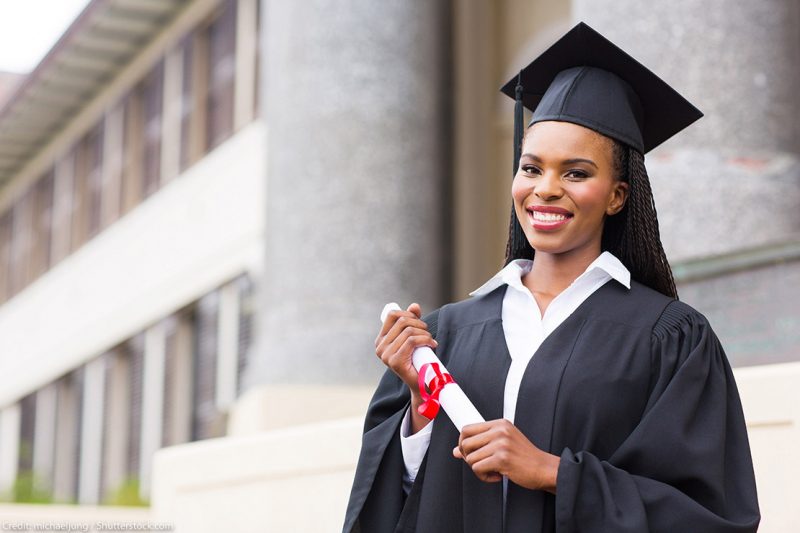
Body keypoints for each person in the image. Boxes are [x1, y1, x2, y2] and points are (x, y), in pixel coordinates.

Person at [343, 22, 760, 533]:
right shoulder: (445, 334)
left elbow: (711, 517)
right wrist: (421, 407)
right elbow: (384, 506)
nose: (546, 189)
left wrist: (552, 472)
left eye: (576, 173)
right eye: (531, 168)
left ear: (618, 195)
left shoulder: (670, 338)